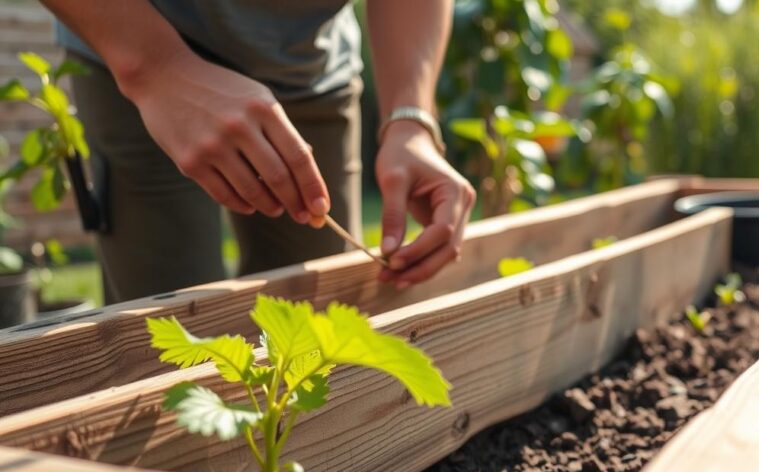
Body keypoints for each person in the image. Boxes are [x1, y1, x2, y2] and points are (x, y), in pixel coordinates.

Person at [42, 0, 475, 303]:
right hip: (132, 42)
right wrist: (156, 69)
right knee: (164, 337)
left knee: (319, 316)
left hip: (311, 72)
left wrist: (410, 119)